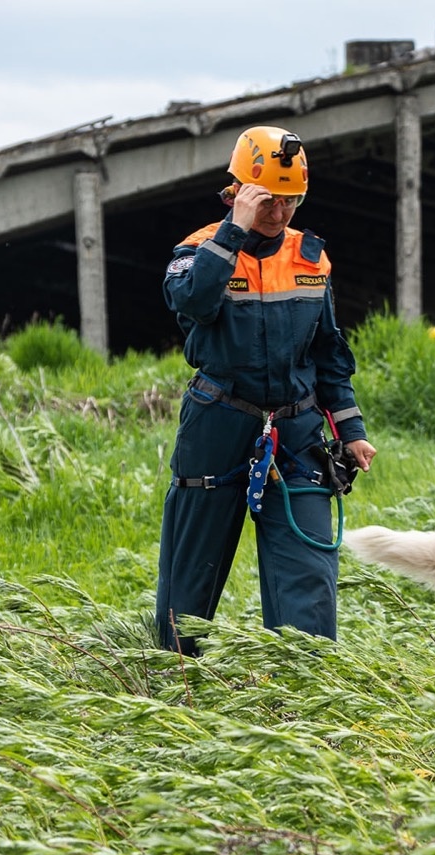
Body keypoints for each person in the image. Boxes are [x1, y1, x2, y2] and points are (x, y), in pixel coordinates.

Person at [155, 125, 377, 656]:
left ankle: (306, 681)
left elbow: (327, 351)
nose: (280, 214)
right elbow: (192, 302)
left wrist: (349, 429)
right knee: (192, 569)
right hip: (218, 422)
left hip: (296, 432)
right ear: (238, 192)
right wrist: (233, 232)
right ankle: (175, 674)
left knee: (309, 569)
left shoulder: (310, 259)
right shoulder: (196, 251)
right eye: (269, 200)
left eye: (292, 201)